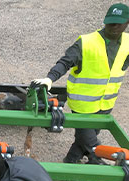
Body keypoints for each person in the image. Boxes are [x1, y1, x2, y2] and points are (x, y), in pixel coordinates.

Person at [32, 3, 129, 165]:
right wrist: (50, 78)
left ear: (127, 23)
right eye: (109, 22)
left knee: (83, 139)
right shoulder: (86, 42)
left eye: (117, 23)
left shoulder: (127, 43)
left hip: (106, 103)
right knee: (92, 144)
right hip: (82, 105)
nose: (112, 27)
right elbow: (65, 62)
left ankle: (70, 161)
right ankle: (102, 162)